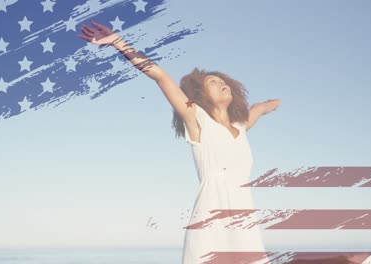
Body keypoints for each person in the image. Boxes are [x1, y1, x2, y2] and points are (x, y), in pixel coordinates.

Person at [78, 20, 281, 264]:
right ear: (201, 95)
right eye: (212, 82)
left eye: (222, 80)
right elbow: (160, 76)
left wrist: (272, 104)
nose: (221, 82)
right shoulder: (197, 120)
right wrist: (119, 43)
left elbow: (259, 108)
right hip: (210, 226)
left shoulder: (240, 127)